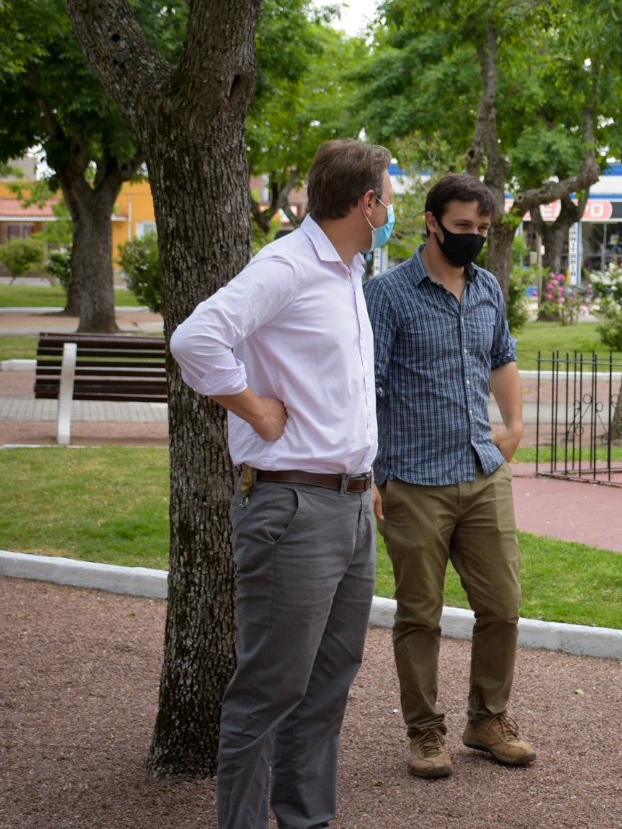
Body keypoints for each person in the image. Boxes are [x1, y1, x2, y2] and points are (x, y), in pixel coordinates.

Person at [169, 139, 394, 829]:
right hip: (293, 507)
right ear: (367, 202)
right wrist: (254, 406)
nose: (394, 205)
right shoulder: (287, 267)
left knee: (327, 687)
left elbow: (339, 388)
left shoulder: (348, 270)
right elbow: (194, 339)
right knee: (270, 691)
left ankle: (305, 821)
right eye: (390, 192)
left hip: (350, 505)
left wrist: (366, 473)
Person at [365, 173, 532, 779]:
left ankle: (487, 719)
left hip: (483, 472)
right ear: (432, 222)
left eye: (483, 229)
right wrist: (372, 471)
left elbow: (502, 355)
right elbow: (367, 386)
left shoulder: (487, 287)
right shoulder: (386, 295)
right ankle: (425, 731)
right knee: (420, 614)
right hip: (413, 478)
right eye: (464, 227)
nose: (474, 238)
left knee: (504, 606)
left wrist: (512, 427)